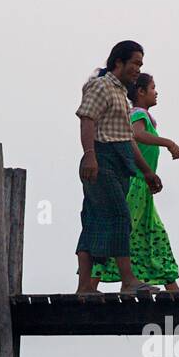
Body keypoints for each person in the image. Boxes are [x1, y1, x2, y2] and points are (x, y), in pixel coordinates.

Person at [74, 41, 164, 294]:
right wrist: (90, 155)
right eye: (134, 63)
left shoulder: (122, 95)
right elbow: (87, 119)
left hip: (118, 159)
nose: (137, 69)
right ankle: (128, 281)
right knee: (120, 216)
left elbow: (127, 138)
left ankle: (84, 288)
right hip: (101, 159)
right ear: (118, 62)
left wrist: (147, 171)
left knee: (93, 219)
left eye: (140, 64)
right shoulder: (101, 85)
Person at [91, 73, 179, 291]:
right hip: (134, 185)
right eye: (153, 88)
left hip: (144, 189)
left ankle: (173, 288)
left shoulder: (145, 118)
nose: (156, 92)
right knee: (125, 231)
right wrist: (168, 143)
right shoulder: (137, 114)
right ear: (141, 92)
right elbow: (135, 135)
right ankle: (91, 283)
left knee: (154, 234)